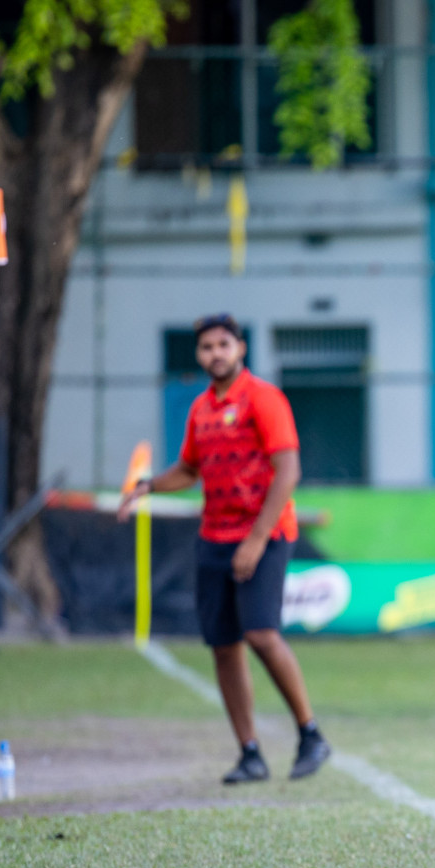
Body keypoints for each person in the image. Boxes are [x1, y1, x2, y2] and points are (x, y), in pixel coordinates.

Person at [118, 314, 329, 784]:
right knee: (223, 647)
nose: (215, 353)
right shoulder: (201, 410)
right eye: (206, 347)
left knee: (260, 634)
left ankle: (310, 733)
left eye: (223, 345)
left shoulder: (263, 399)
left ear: (240, 349)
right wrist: (147, 486)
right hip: (214, 536)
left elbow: (288, 471)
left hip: (266, 534)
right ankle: (249, 752)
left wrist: (255, 541)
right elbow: (189, 470)